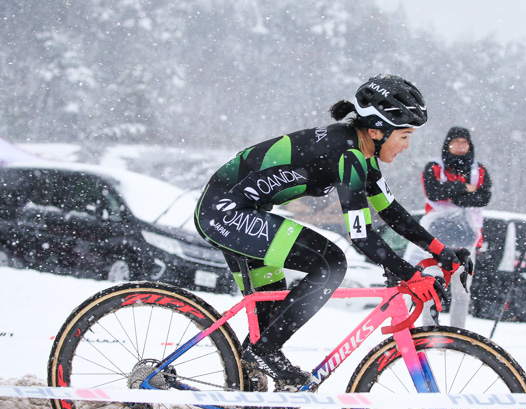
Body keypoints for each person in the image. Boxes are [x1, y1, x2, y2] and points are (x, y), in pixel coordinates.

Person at [194, 74, 472, 391]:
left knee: (270, 318)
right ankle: (262, 353)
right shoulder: (346, 154)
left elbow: (391, 212)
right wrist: (410, 274)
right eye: (404, 136)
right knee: (328, 262)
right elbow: (361, 235)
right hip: (225, 211)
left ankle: (249, 402)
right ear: (376, 131)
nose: (407, 146)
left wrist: (440, 250)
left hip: (246, 211)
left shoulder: (361, 155)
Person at [404, 126, 491, 328]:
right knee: (431, 283)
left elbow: (483, 197)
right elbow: (433, 192)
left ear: (470, 145)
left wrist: (451, 194)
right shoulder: (434, 167)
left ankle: (458, 331)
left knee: (462, 289)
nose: (460, 146)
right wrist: (464, 189)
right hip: (436, 234)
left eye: (464, 142)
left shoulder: (479, 170)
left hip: (466, 236)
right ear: (447, 144)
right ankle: (428, 327)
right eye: (456, 142)